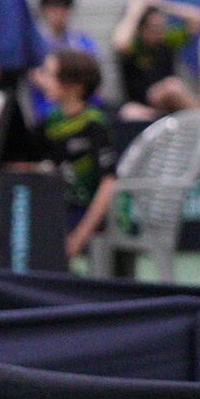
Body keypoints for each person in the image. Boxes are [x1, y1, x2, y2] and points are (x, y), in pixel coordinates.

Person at [36, 50, 117, 260]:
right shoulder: (50, 122)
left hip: (96, 217)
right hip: (64, 210)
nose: (42, 80)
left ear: (75, 87)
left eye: (49, 74)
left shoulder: (94, 124)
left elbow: (108, 184)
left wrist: (78, 238)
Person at [112, 0, 200, 121]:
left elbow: (199, 18)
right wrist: (134, 13)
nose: (159, 32)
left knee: (172, 86)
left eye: (162, 27)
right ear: (141, 29)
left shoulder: (167, 41)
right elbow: (120, 44)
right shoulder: (133, 46)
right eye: (154, 28)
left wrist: (161, 5)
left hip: (168, 102)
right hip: (141, 105)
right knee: (129, 112)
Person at [29, 0, 103, 122]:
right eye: (53, 8)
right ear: (44, 11)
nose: (58, 13)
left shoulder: (81, 41)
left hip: (82, 106)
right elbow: (33, 75)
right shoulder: (33, 43)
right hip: (46, 110)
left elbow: (94, 75)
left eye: (63, 8)